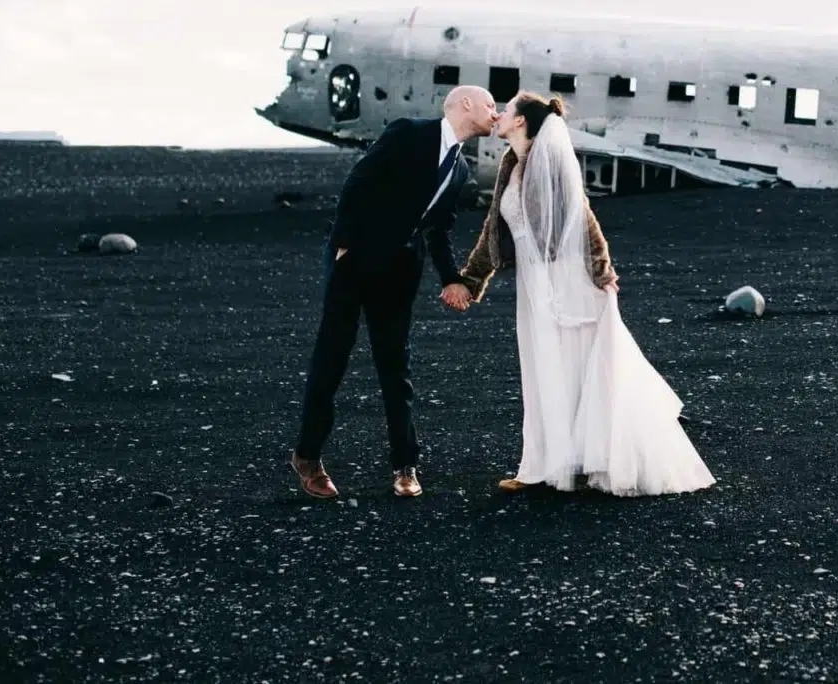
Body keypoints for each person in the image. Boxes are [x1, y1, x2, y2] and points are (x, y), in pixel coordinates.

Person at [459, 92, 715, 496]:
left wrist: (603, 270)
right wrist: (471, 281)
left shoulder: (551, 165)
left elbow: (585, 218)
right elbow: (494, 232)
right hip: (533, 283)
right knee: (543, 369)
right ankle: (545, 462)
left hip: (564, 281)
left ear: (521, 121)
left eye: (506, 110)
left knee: (571, 367)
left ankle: (575, 462)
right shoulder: (512, 165)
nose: (499, 115)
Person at [289, 85, 496, 500]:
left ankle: (405, 466)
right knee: (332, 359)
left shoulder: (459, 171)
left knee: (395, 369)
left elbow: (438, 230)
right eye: (491, 105)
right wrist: (344, 244)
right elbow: (359, 181)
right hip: (355, 261)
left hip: (401, 272)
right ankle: (308, 457)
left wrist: (450, 279)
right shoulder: (408, 132)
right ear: (466, 105)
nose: (497, 114)